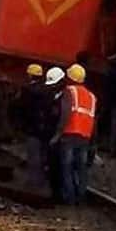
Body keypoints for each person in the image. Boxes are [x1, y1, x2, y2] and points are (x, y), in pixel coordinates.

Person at [50, 64, 97, 205]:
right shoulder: (92, 96)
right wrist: (94, 143)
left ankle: (69, 199)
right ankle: (81, 197)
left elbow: (65, 114)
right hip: (85, 137)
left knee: (67, 167)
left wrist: (57, 135)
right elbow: (94, 120)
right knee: (81, 168)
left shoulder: (69, 91)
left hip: (69, 134)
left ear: (70, 78)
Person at [19, 64, 49, 187]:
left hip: (33, 127)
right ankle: (39, 180)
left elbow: (23, 108)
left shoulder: (28, 90)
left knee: (33, 156)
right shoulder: (46, 90)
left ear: (30, 75)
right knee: (41, 156)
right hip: (44, 127)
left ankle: (33, 182)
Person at [44, 66, 67, 201]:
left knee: (59, 166)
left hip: (60, 137)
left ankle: (58, 195)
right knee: (53, 165)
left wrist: (57, 136)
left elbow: (63, 117)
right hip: (54, 135)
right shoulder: (54, 95)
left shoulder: (65, 97)